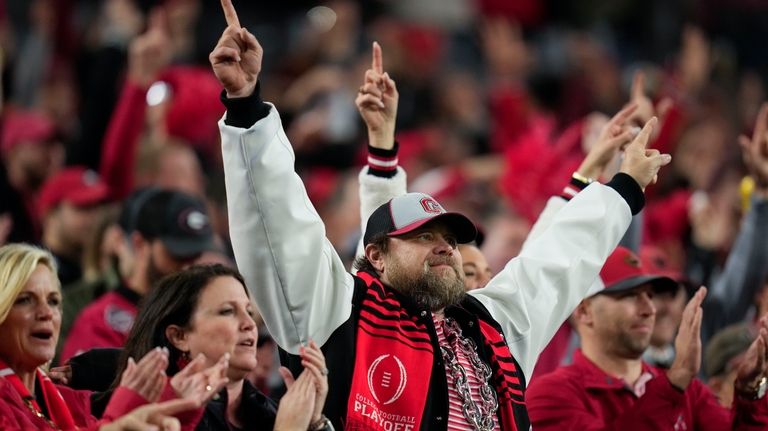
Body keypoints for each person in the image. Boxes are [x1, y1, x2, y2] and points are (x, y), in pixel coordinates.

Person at [212, 1, 671, 429]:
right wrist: (246, 105)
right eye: (425, 237)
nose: (446, 247)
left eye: (449, 237)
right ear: (374, 256)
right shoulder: (335, 311)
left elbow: (557, 260)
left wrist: (621, 188)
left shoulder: (489, 323)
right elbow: (279, 227)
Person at [526, 246, 768, 430]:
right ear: (583, 311)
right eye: (630, 296)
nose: (649, 309)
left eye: (649, 296)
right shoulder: (550, 396)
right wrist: (673, 384)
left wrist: (750, 393)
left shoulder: (689, 391)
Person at [0, 243, 227, 429]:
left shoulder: (60, 399)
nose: (46, 313)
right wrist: (119, 418)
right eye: (25, 300)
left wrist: (175, 408)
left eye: (53, 301)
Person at [113, 264, 331, 430]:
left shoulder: (270, 413)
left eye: (250, 312)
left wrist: (314, 422)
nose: (249, 324)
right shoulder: (155, 416)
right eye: (227, 311)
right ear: (179, 336)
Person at [61, 188, 215, 362]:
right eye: (177, 254)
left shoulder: (202, 315)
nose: (188, 266)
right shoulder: (101, 322)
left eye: (195, 254)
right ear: (140, 244)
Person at [37, 166, 111, 286]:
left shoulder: (99, 264)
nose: (95, 218)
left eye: (97, 208)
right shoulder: (33, 270)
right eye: (84, 208)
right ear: (51, 214)